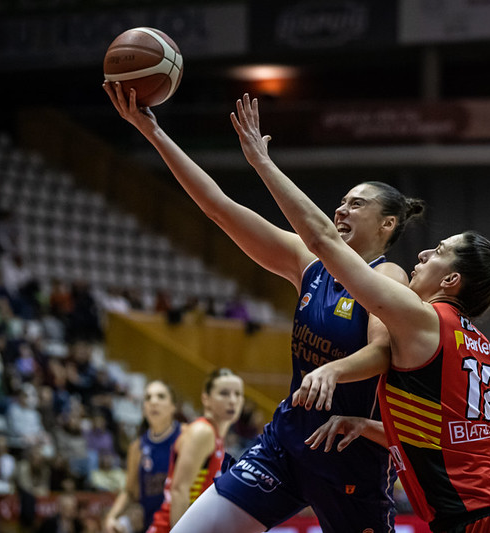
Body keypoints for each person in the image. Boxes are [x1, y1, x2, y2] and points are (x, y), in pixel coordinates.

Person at [104, 80, 424, 533]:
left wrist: (333, 370)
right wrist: (152, 131)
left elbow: (382, 352)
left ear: (387, 224)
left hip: (348, 458)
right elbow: (218, 207)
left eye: (357, 204)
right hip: (286, 445)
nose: (342, 210)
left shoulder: (389, 278)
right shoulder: (307, 262)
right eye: (341, 202)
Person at [230, 94, 490, 533]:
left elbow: (323, 242)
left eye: (438, 251)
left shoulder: (423, 318)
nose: (423, 253)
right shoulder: (477, 344)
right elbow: (444, 442)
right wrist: (367, 425)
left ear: (451, 280)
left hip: (478, 518)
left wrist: (263, 163)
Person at [146, 369, 244, 533]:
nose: (233, 400)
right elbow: (179, 490)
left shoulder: (215, 434)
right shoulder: (202, 431)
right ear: (206, 399)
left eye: (238, 394)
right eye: (224, 393)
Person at [104, 379, 182, 533]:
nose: (153, 402)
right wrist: (111, 517)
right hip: (152, 526)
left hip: (183, 524)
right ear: (143, 408)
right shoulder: (137, 446)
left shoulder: (187, 436)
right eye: (148, 398)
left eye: (161, 396)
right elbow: (129, 491)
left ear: (173, 406)